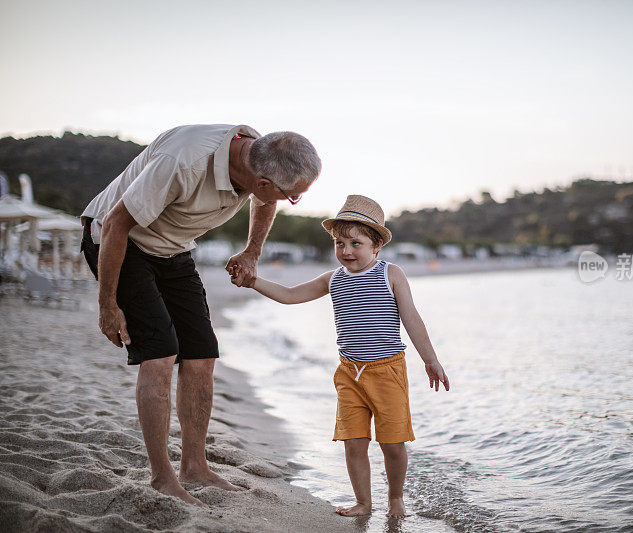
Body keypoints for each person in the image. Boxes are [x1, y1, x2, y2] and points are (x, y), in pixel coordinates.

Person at [80, 124, 321, 506]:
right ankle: (162, 477)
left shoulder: (259, 152)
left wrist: (252, 252)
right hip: (119, 240)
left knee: (202, 352)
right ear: (260, 182)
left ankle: (195, 466)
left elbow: (265, 202)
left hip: (173, 248)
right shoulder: (183, 161)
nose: (290, 200)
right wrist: (108, 306)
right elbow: (115, 223)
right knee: (160, 352)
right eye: (292, 197)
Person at [231, 194, 450, 518]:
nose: (346, 250)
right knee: (353, 441)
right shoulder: (332, 279)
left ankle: (395, 498)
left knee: (392, 442)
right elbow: (291, 296)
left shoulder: (391, 274)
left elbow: (412, 319)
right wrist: (253, 281)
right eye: (339, 242)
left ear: (376, 246)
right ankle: (363, 501)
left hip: (387, 371)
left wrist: (430, 360)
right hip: (349, 373)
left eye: (355, 243)